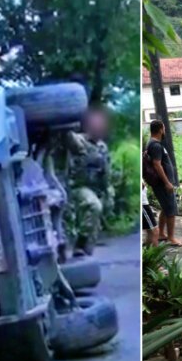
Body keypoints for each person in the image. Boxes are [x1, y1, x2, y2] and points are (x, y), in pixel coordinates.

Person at [62, 106, 114, 256]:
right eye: (96, 124)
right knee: (94, 205)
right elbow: (67, 135)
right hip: (78, 187)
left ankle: (84, 247)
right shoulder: (79, 140)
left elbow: (106, 172)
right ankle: (81, 241)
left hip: (96, 188)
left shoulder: (102, 147)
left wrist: (108, 192)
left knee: (95, 224)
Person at [146, 120, 182, 246]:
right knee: (171, 210)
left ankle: (162, 233)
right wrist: (167, 182)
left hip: (161, 183)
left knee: (165, 207)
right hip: (162, 184)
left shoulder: (153, 143)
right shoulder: (155, 145)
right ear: (161, 130)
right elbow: (157, 164)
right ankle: (171, 238)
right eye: (164, 128)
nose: (165, 131)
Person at [142, 179, 158, 246]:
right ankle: (153, 251)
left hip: (144, 204)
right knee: (154, 231)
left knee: (152, 231)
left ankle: (148, 250)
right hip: (142, 205)